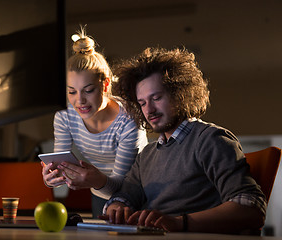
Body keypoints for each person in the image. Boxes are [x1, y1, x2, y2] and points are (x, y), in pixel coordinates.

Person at [100, 47, 267, 234]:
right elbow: (123, 197)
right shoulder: (146, 155)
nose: (149, 110)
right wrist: (117, 208)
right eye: (143, 103)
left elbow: (252, 208)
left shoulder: (211, 140)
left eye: (156, 98)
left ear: (180, 95)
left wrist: (179, 223)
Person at [41, 28, 148, 218]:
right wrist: (52, 178)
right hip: (99, 193)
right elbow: (59, 166)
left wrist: (94, 181)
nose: (79, 101)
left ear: (105, 84)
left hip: (137, 193)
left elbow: (122, 188)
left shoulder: (129, 120)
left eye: (88, 90)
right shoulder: (65, 115)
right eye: (71, 92)